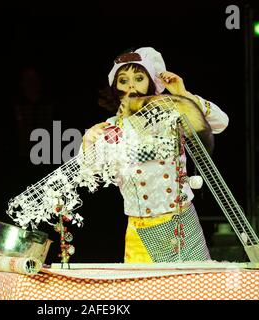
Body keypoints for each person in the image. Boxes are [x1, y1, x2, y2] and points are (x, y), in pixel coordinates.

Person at [82, 47, 229, 263]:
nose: (131, 84)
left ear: (150, 83)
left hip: (181, 223)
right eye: (123, 80)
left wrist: (183, 95)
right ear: (115, 88)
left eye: (139, 78)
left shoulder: (172, 114)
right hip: (139, 229)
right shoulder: (112, 128)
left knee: (193, 292)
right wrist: (88, 141)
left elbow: (221, 122)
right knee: (143, 295)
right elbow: (91, 173)